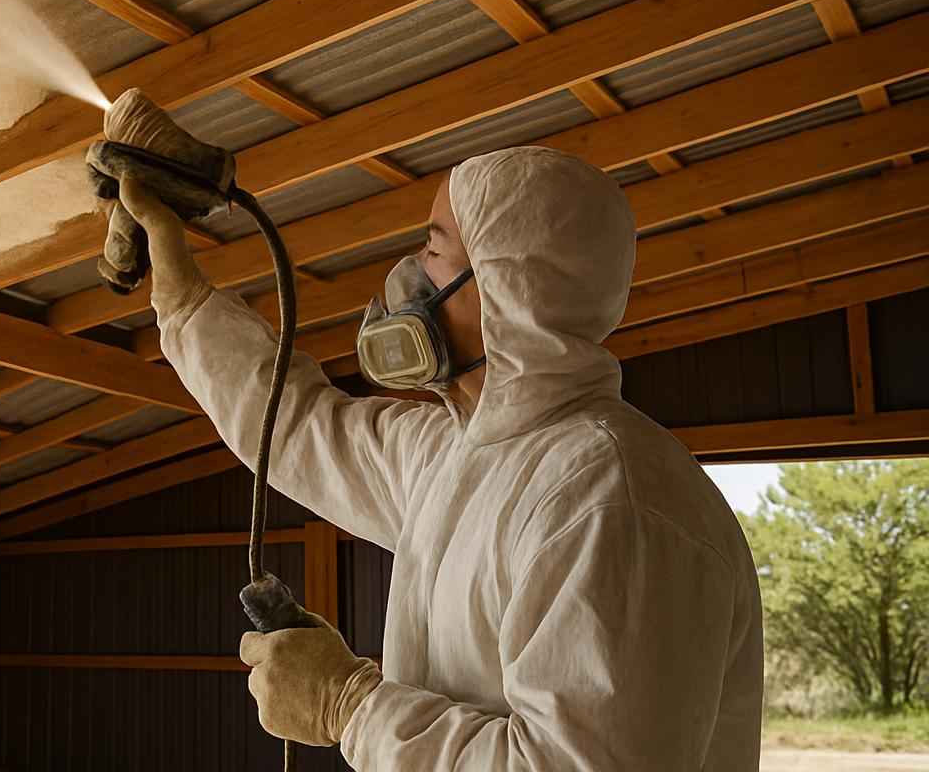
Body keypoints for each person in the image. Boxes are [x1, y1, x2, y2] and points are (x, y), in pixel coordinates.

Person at [115, 145, 763, 770]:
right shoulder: (460, 457)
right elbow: (296, 425)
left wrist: (351, 708)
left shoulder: (607, 500)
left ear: (507, 285)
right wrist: (178, 288)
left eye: (432, 249)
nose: (407, 277)